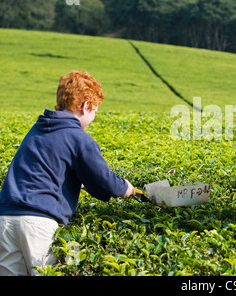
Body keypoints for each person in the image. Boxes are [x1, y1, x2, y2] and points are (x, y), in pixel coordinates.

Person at [0, 70, 136, 275]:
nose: (93, 117)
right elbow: (104, 183)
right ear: (85, 106)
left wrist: (75, 182)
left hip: (5, 219)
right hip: (39, 223)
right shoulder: (78, 138)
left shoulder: (38, 129)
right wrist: (127, 188)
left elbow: (45, 168)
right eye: (95, 111)